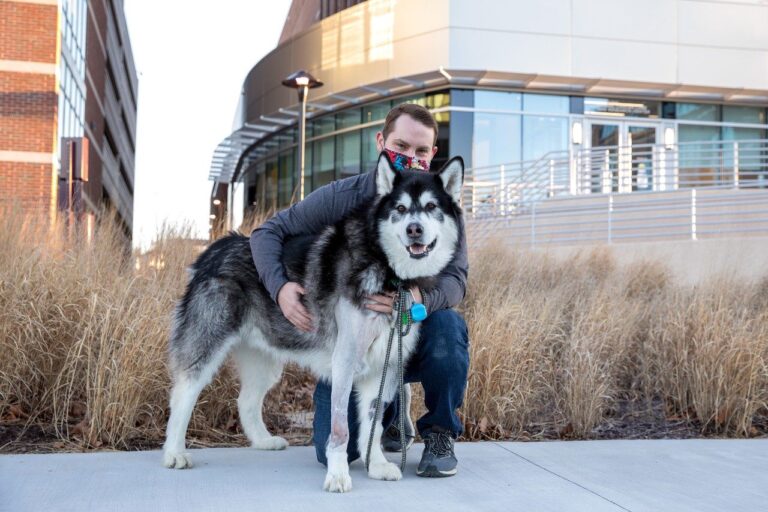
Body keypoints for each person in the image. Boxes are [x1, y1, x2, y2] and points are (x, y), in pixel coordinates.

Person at [249, 103, 469, 478]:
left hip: (411, 326)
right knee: (329, 451)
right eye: (401, 146)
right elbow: (267, 233)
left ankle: (439, 433)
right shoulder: (343, 195)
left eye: (420, 151)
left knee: (447, 327)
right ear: (381, 142)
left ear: (432, 154)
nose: (410, 157)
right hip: (352, 339)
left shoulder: (442, 207)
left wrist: (416, 301)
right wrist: (280, 288)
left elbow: (456, 280)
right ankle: (391, 409)